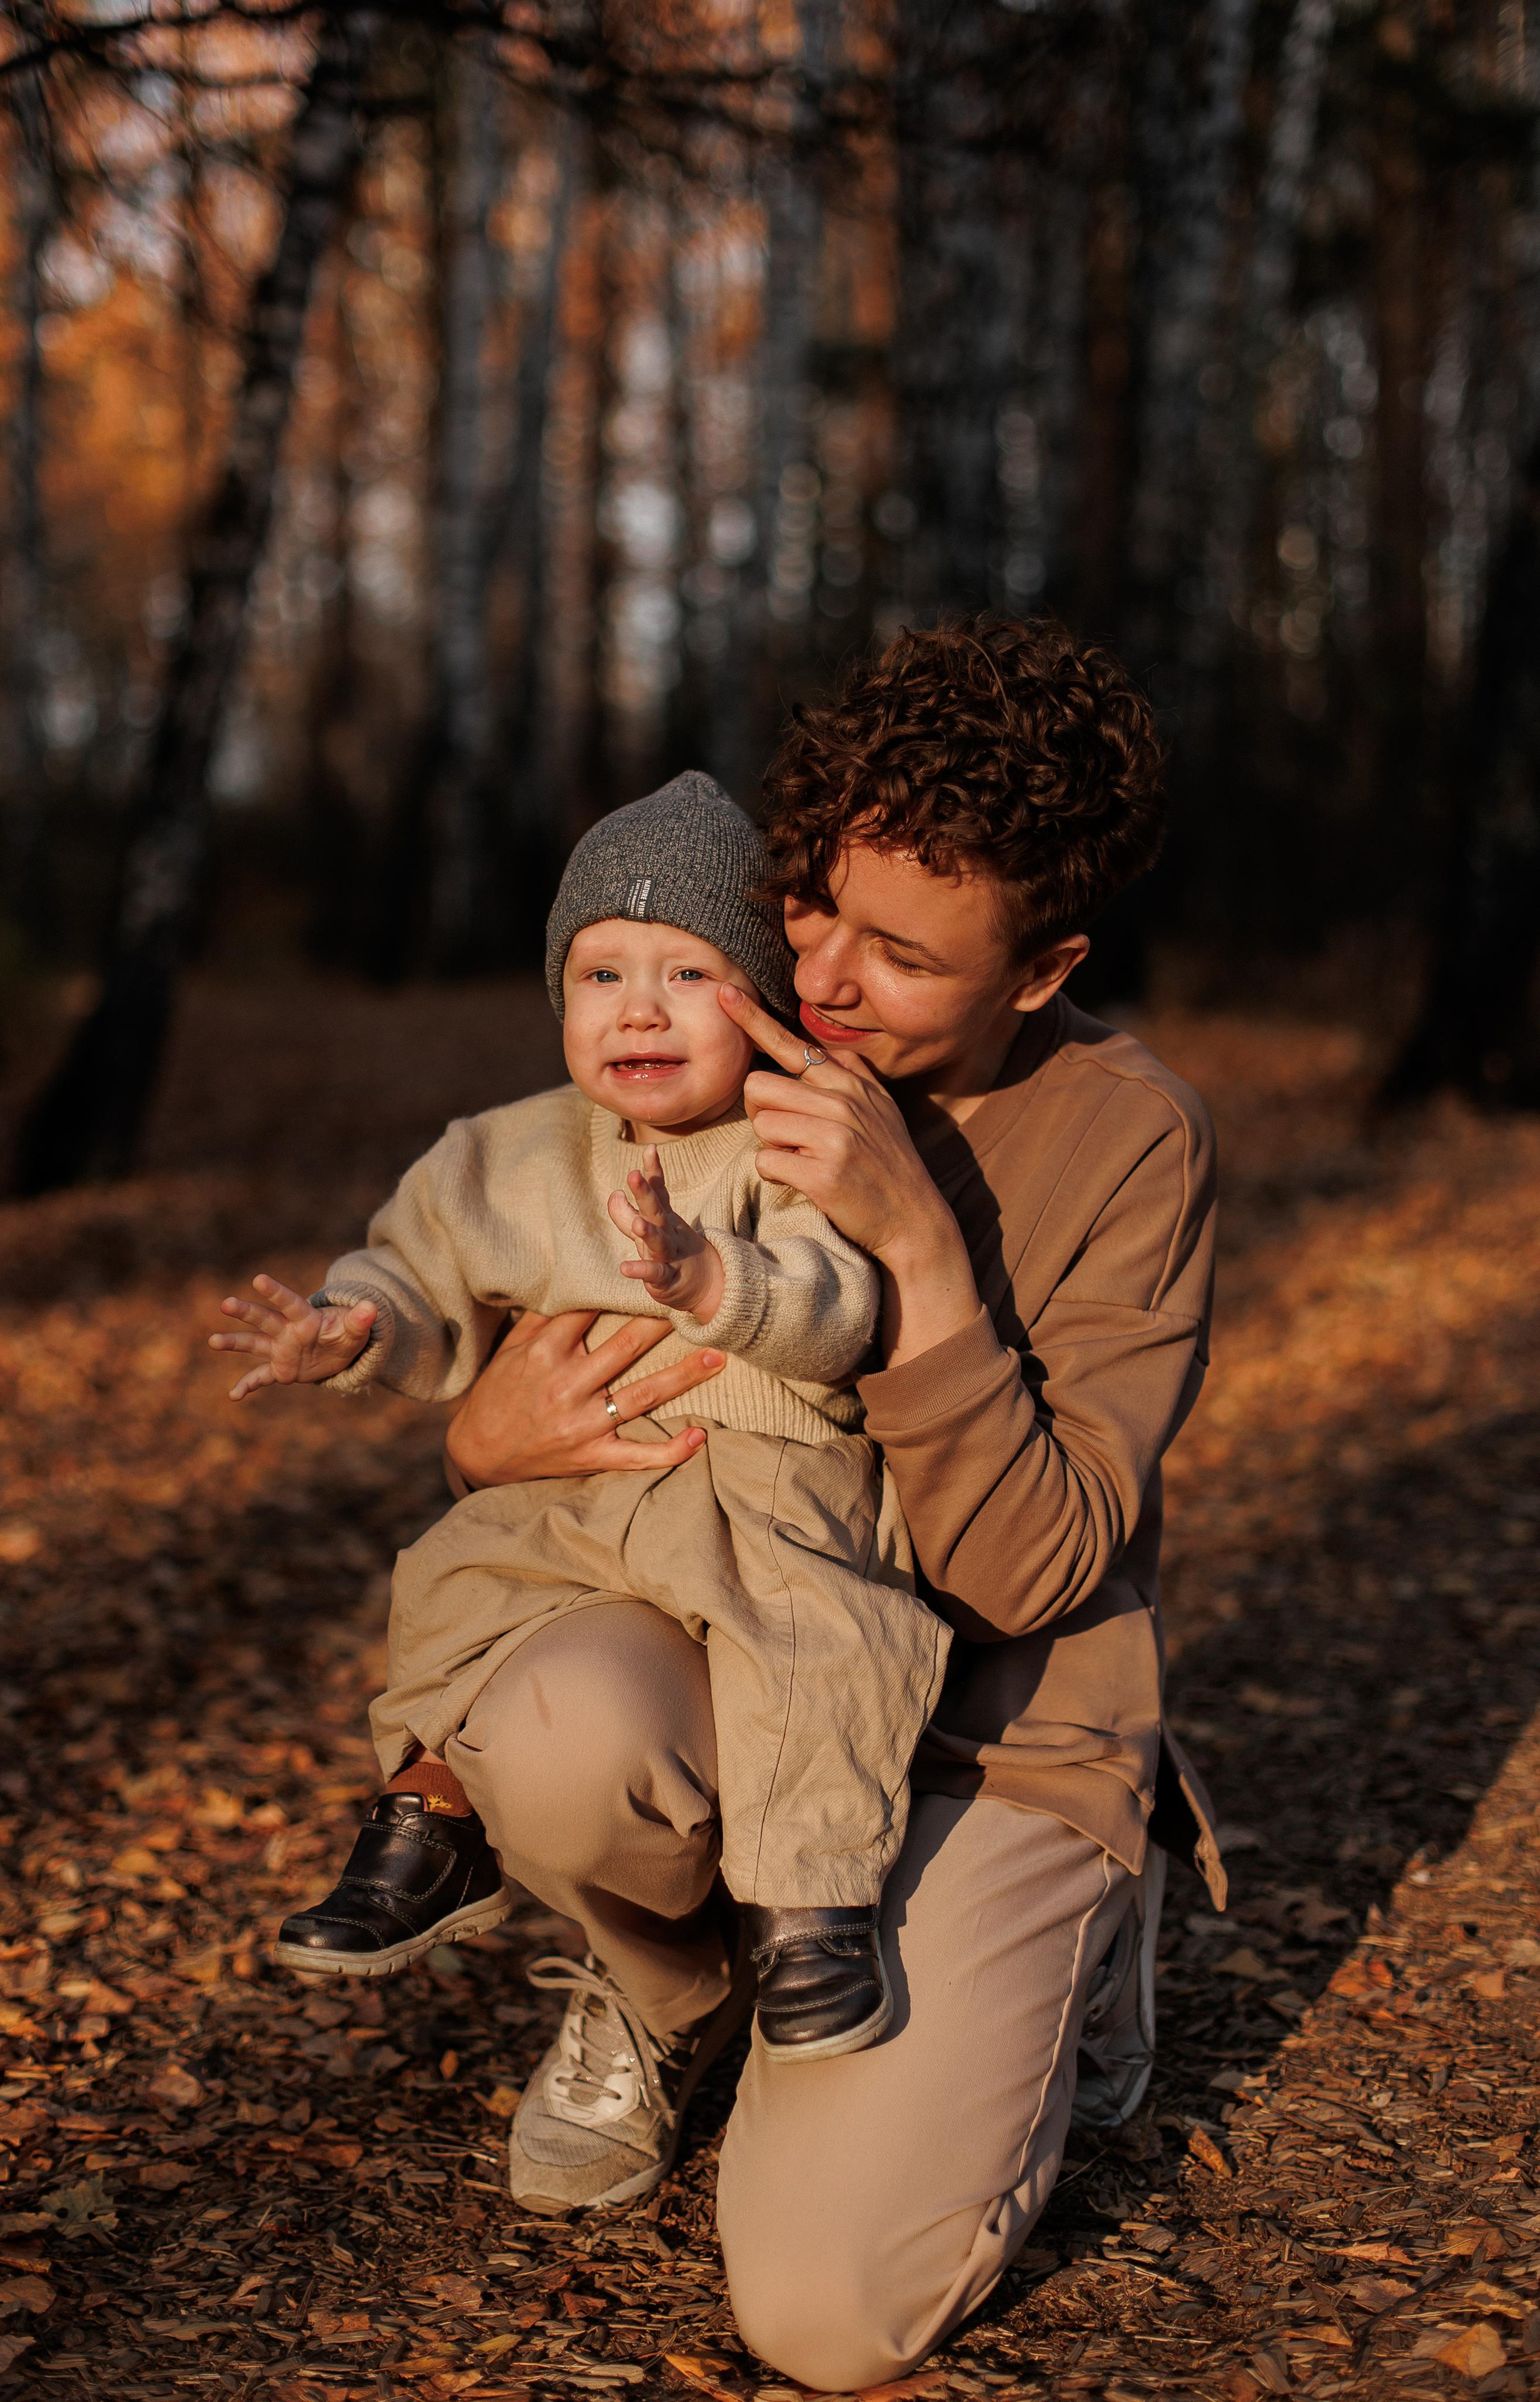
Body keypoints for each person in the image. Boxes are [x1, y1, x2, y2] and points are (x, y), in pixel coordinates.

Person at [428, 617, 1225, 2388]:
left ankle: (1091, 1916)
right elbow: (525, 1380)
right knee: (547, 1722)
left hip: (995, 1733)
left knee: (823, 2313)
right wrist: (486, 1435)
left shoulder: (1131, 1140)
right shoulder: (713, 1028)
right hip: (753, 1651)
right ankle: (676, 1990)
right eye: (818, 910)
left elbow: (1034, 1574)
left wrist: (924, 1257)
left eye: (908, 956)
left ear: (1043, 967)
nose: (831, 983)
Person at [210, 774, 951, 2112]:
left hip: (758, 1481)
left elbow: (842, 1305)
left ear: (763, 1002)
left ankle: (806, 1908)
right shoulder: (503, 1154)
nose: (638, 1008)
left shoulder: (795, 1140)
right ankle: (429, 1819)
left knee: (813, 1648)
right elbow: (412, 1265)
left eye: (686, 972)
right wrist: (349, 1327)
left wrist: (709, 1279)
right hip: (577, 1490)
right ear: (557, 995)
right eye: (600, 972)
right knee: (449, 1582)